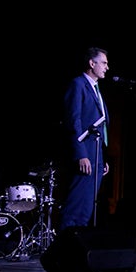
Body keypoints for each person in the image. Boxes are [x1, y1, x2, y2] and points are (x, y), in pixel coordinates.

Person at [58, 47, 111, 231]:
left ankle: (77, 247)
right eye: (103, 63)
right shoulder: (78, 84)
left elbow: (101, 125)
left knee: (87, 207)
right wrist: (80, 154)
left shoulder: (96, 89)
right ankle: (64, 247)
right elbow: (74, 121)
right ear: (92, 63)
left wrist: (103, 156)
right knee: (76, 204)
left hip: (96, 154)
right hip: (84, 153)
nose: (107, 67)